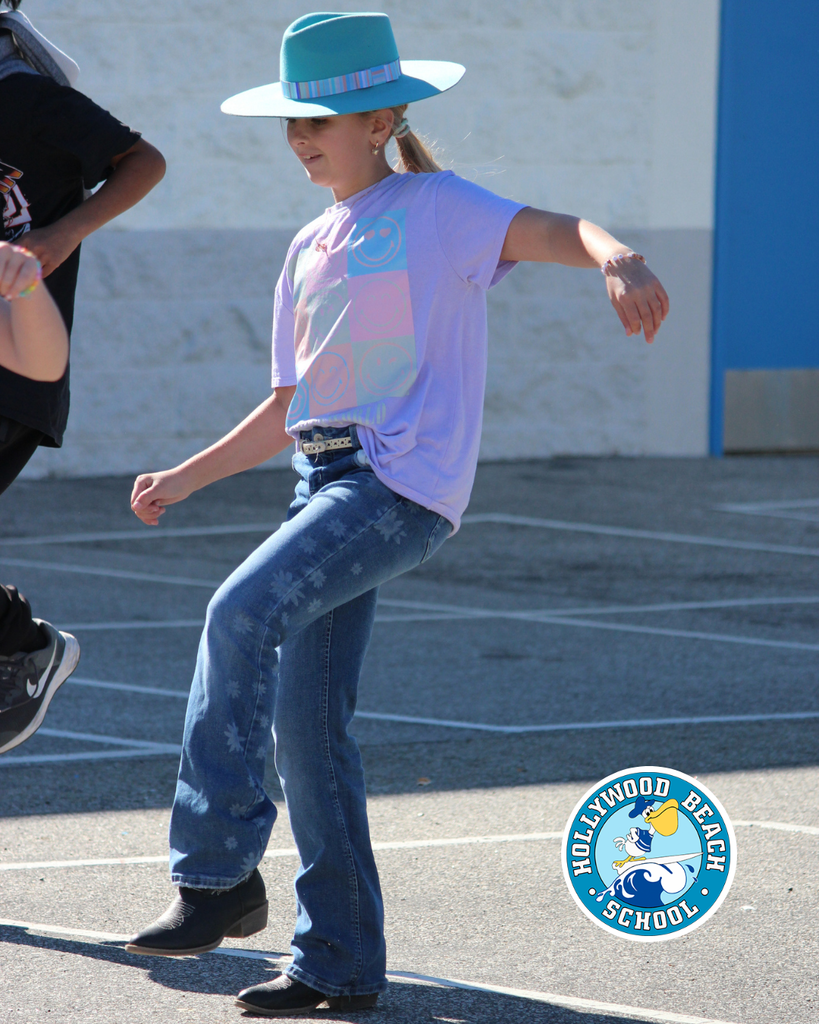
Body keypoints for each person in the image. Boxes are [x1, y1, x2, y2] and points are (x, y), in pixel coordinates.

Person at [126, 11, 669, 1017]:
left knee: (238, 613)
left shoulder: (437, 208)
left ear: (381, 122)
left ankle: (216, 874)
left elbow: (557, 229)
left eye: (320, 120)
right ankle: (336, 961)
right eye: (291, 122)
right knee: (308, 732)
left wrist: (618, 256)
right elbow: (291, 410)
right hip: (321, 484)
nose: (300, 139)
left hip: (398, 488)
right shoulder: (308, 245)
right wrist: (185, 476)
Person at [0, 1, 165, 754]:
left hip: (17, 368)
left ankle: (24, 645)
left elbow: (144, 161)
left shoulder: (24, 97)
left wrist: (61, 233)